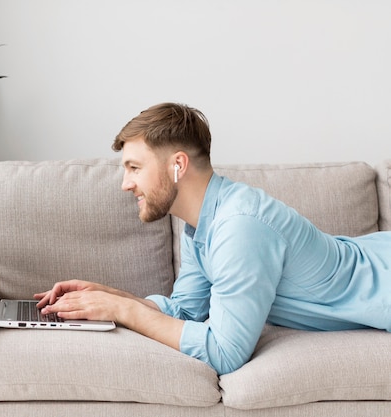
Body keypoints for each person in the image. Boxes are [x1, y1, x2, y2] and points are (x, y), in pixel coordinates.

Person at [34, 102, 391, 375]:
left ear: (178, 165)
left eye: (135, 168)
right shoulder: (202, 222)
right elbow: (187, 310)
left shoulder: (239, 227)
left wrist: (123, 310)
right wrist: (106, 297)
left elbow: (225, 353)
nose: (125, 184)